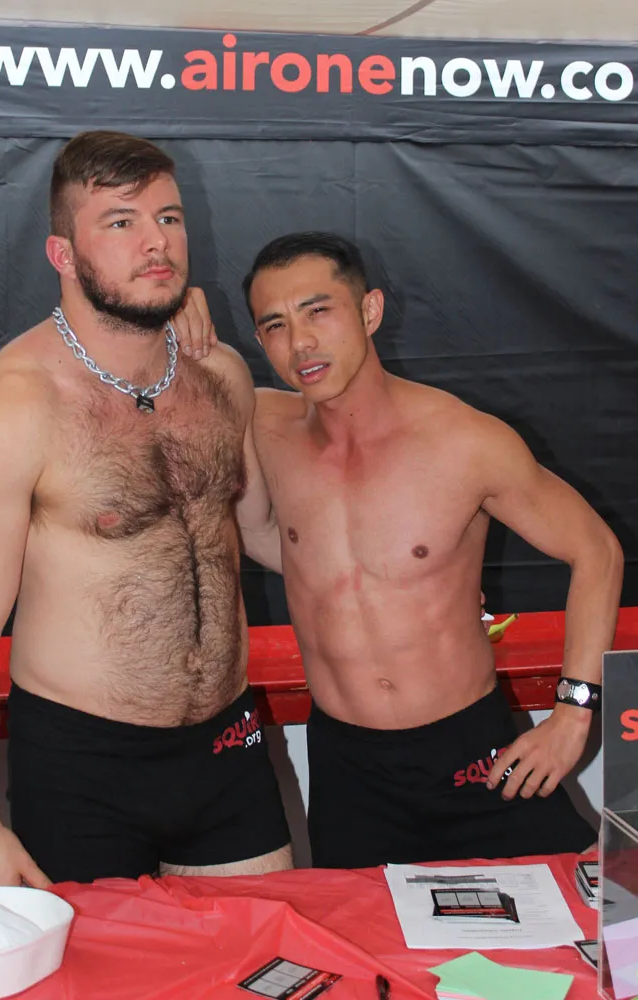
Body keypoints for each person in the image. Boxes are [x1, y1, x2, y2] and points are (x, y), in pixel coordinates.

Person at [0, 130, 292, 887]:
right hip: (80, 768)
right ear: (62, 255)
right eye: (121, 222)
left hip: (227, 749)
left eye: (169, 217)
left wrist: (398, 572)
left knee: (263, 952)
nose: (156, 242)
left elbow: (261, 531)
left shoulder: (220, 376)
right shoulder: (8, 406)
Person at [241, 231, 623, 867]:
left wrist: (573, 715)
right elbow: (274, 537)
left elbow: (597, 551)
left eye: (318, 311)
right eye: (275, 325)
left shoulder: (464, 441)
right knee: (362, 933)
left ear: (370, 311)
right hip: (347, 768)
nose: (300, 342)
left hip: (470, 753)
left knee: (595, 918)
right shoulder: (263, 426)